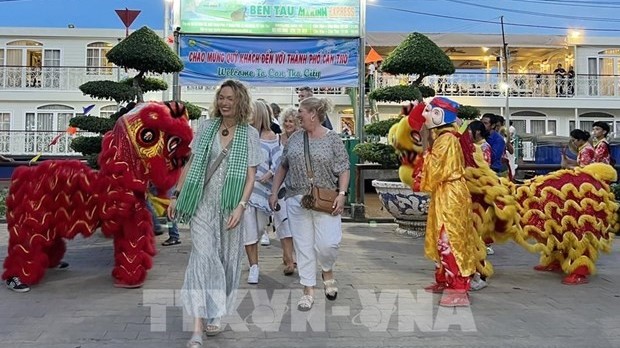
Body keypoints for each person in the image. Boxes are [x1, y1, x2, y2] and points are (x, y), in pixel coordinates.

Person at [168, 79, 263, 348]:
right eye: (221, 97)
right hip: (200, 203)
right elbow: (190, 163)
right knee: (203, 257)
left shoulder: (250, 134)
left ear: (240, 101)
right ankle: (197, 327)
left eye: (230, 98)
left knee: (227, 263)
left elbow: (250, 175)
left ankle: (216, 310)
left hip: (230, 207)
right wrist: (177, 194)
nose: (224, 102)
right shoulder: (206, 127)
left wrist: (241, 206)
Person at [269, 97, 350, 312]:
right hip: (297, 199)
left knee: (328, 244)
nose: (298, 115)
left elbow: (343, 168)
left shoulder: (333, 139)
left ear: (313, 113)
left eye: (301, 111)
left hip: (326, 200)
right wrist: (274, 192)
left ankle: (327, 269)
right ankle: (308, 290)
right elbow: (282, 167)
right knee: (303, 246)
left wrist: (342, 194)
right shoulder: (294, 139)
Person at [419, 97, 485, 307]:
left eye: (429, 111)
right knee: (440, 237)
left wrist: (424, 148)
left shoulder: (446, 139)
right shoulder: (444, 137)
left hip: (451, 194)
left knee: (450, 239)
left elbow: (436, 170)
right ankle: (445, 279)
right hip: (445, 192)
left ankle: (458, 287)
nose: (425, 115)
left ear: (439, 116)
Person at [242, 100, 281, 284]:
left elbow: (278, 161)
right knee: (249, 229)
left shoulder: (273, 136)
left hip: (264, 191)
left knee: (258, 228)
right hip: (245, 190)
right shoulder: (244, 135)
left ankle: (252, 256)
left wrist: (270, 173)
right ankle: (254, 267)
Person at [276, 107, 301, 275]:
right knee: (283, 223)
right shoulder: (277, 139)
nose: (288, 124)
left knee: (297, 225)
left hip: (298, 187)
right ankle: (288, 259)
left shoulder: (301, 139)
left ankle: (296, 257)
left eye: (291, 121)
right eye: (286, 121)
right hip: (279, 188)